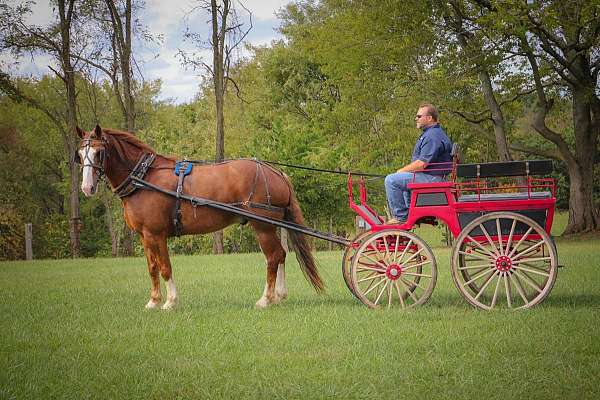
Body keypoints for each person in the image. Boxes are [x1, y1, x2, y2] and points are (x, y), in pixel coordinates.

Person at [384, 103, 453, 224]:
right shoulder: (433, 133)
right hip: (433, 177)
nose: (416, 118)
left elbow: (421, 164)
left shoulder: (432, 136)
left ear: (429, 118)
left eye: (419, 116)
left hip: (432, 179)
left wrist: (400, 171)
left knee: (391, 180)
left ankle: (400, 217)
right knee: (401, 180)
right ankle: (410, 214)